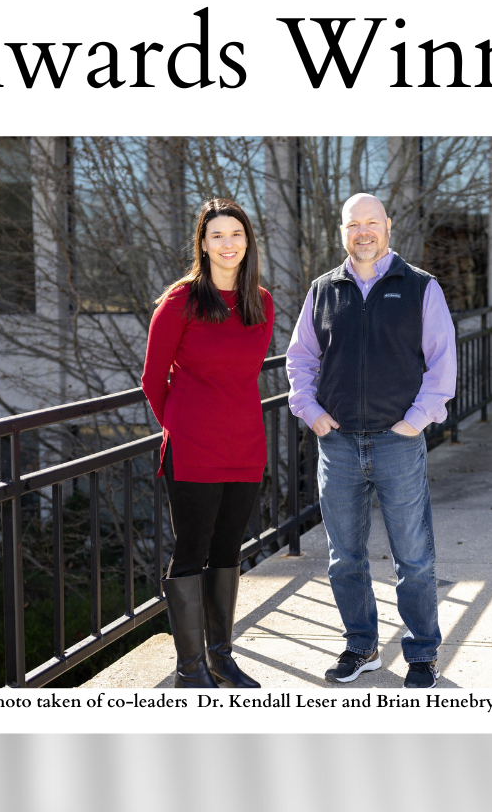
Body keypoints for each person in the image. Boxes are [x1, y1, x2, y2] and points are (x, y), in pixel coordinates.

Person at [286, 193, 456, 689]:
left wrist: (416, 421)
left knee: (414, 558)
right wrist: (312, 413)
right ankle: (361, 647)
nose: (363, 232)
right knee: (344, 558)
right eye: (353, 224)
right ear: (342, 232)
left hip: (396, 443)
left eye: (371, 223)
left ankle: (423, 652)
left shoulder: (421, 287)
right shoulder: (323, 291)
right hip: (336, 445)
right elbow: (300, 361)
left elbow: (442, 363)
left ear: (388, 227)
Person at [142, 197, 274, 689]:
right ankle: (189, 667)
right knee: (192, 550)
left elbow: (243, 376)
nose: (228, 244)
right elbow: (153, 380)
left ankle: (221, 657)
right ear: (202, 242)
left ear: (248, 242)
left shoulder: (261, 301)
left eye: (236, 234)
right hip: (193, 448)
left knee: (227, 552)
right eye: (217, 235)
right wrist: (181, 426)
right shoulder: (180, 301)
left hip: (245, 445)